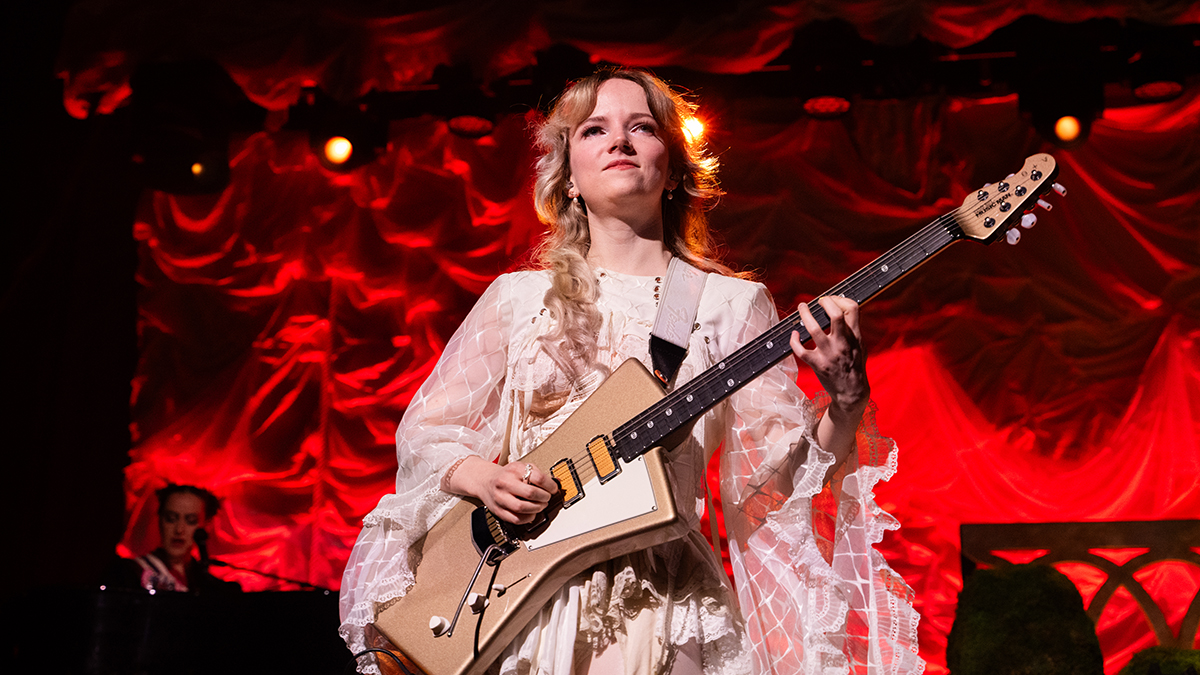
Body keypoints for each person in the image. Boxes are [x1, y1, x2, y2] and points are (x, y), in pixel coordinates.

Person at [339, 68, 922, 674]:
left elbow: (774, 479)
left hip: (659, 597)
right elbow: (428, 433)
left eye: (641, 127)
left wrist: (846, 398)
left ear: (673, 172)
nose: (619, 140)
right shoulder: (517, 299)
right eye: (594, 130)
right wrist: (484, 478)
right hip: (512, 598)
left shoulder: (729, 305)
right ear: (568, 178)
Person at [106, 484, 240, 595]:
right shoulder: (127, 573)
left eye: (191, 521)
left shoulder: (211, 587)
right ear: (160, 520)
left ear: (206, 525)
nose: (179, 529)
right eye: (171, 519)